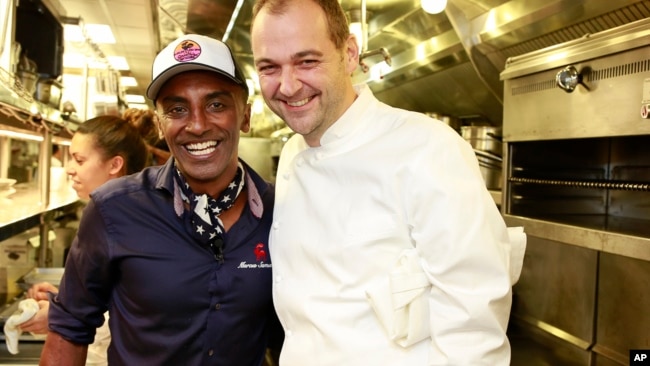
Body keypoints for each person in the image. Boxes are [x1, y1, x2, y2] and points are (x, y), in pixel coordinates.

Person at [251, 0, 517, 364]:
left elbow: (473, 329)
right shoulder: (293, 156)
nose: (287, 85)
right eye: (269, 67)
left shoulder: (429, 149)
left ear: (348, 54)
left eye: (306, 61)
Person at [38, 34, 280, 365]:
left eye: (216, 105)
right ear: (160, 123)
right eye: (177, 109)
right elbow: (69, 328)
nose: (197, 125)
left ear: (246, 116)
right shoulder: (114, 210)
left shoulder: (280, 212)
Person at [20, 115, 148, 365]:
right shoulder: (106, 215)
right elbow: (113, 295)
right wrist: (64, 300)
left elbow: (141, 316)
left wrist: (57, 317)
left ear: (115, 165)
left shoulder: (129, 224)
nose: (69, 168)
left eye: (79, 160)